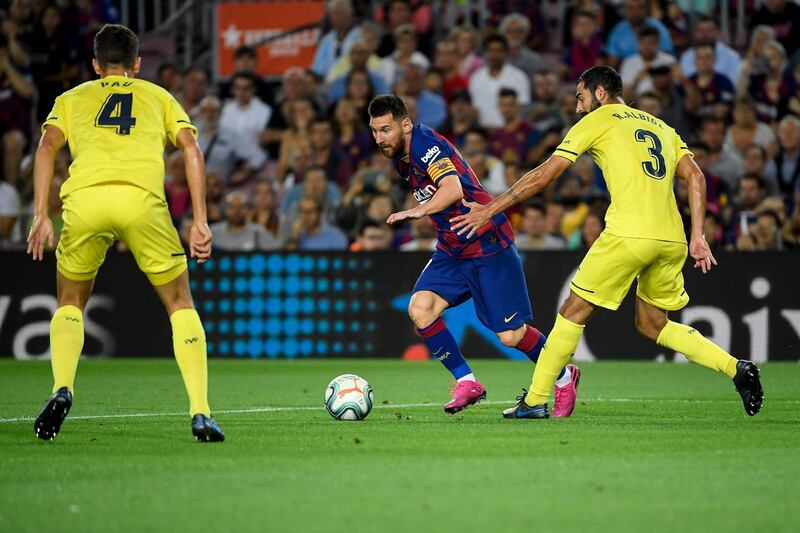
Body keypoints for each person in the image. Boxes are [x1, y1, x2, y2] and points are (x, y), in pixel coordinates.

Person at [451, 66, 763, 420]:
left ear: (601, 93)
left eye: (581, 97)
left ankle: (535, 400)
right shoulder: (660, 126)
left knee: (572, 311)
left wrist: (490, 209)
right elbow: (695, 176)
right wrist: (698, 236)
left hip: (629, 233)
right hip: (672, 238)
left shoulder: (599, 119)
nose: (578, 106)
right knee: (653, 324)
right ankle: (737, 368)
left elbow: (544, 175)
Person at [26, 24, 224, 442]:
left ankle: (63, 387)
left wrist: (41, 212)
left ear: (96, 65)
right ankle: (201, 412)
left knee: (70, 300)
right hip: (141, 201)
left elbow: (45, 148)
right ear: (137, 63)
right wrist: (200, 219)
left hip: (84, 201)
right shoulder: (159, 96)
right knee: (179, 302)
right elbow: (190, 148)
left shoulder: (72, 97)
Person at [368, 94, 579, 416]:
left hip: (487, 243)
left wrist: (417, 212)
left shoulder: (425, 146)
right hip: (453, 248)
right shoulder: (400, 156)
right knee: (421, 309)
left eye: (386, 130)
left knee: (510, 336)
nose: (380, 138)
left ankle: (564, 375)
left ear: (406, 125)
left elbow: (452, 189)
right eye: (375, 131)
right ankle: (467, 381)